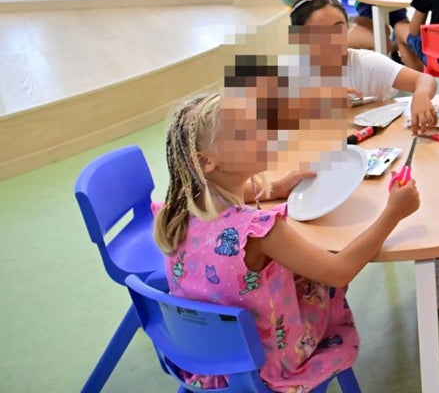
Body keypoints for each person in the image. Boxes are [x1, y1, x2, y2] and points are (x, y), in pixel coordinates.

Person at [152, 87, 421, 391]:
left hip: (207, 360)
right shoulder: (260, 232)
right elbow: (338, 271)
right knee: (324, 282)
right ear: (206, 161)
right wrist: (393, 213)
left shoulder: (175, 211)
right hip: (268, 368)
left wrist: (275, 188)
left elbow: (218, 196)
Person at [285, 0, 439, 310]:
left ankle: (435, 263)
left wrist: (421, 95)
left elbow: (424, 80)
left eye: (339, 27)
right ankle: (316, 279)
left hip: (376, 161)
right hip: (320, 171)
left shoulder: (362, 61)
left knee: (421, 188)